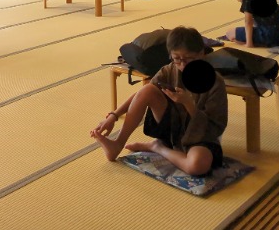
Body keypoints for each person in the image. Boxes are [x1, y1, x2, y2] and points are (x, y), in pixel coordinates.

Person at [90, 26, 228, 175]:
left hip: (200, 136)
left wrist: (188, 103)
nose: (182, 65)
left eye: (189, 59)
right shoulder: (169, 70)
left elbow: (216, 126)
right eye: (177, 59)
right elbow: (141, 94)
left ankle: (158, 147)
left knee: (197, 166)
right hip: (173, 129)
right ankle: (117, 144)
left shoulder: (215, 82)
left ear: (201, 54)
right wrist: (113, 116)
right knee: (148, 89)